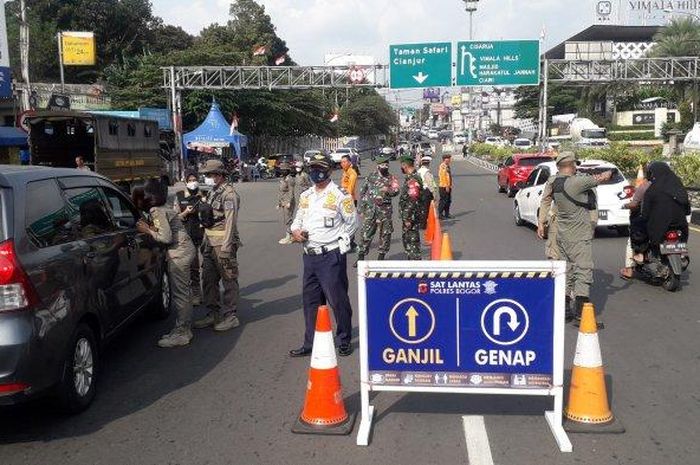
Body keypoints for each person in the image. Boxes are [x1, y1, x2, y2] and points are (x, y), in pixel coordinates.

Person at [289, 153, 358, 358]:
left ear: (329, 170)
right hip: (309, 255)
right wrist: (296, 231)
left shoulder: (340, 194)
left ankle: (344, 338)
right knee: (310, 301)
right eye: (312, 168)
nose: (315, 172)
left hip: (330, 255)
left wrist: (341, 241)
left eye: (320, 168)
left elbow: (351, 222)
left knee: (337, 300)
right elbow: (297, 219)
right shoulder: (306, 195)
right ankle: (310, 342)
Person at [550, 152, 612, 321]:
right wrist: (608, 172)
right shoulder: (578, 182)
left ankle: (564, 309)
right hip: (579, 236)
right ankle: (581, 311)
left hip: (562, 235)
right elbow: (602, 177)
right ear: (571, 165)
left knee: (567, 271)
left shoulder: (555, 182)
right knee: (583, 271)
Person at [137, 180, 196, 348]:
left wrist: (147, 230)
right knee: (184, 291)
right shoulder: (164, 207)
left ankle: (183, 332)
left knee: (180, 294)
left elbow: (165, 238)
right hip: (185, 249)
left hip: (179, 253)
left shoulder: (156, 210)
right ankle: (182, 328)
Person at [194, 159, 242, 332]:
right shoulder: (214, 191)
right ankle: (212, 313)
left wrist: (227, 248)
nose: (208, 178)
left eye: (210, 175)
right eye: (207, 175)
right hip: (209, 243)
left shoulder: (229, 194)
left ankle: (230, 316)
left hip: (222, 244)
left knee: (229, 280)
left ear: (220, 175)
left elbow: (230, 222)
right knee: (208, 279)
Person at [637, 161, 690, 258]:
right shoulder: (679, 187)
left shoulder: (652, 190)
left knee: (639, 229)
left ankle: (640, 254)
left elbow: (645, 213)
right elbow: (687, 209)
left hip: (660, 227)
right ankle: (682, 255)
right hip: (680, 225)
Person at [356, 155, 400, 264]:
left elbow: (396, 190)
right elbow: (362, 191)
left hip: (385, 211)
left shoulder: (391, 178)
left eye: (386, 165)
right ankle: (360, 258)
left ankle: (381, 259)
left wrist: (388, 190)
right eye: (382, 165)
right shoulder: (371, 177)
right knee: (365, 234)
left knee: (385, 234)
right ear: (378, 166)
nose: (385, 166)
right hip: (371, 210)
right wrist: (361, 208)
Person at [174, 171, 206, 303]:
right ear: (186, 182)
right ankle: (195, 294)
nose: (193, 182)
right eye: (190, 180)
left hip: (204, 235)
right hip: (187, 235)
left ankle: (208, 293)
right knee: (192, 266)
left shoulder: (204, 195)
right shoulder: (179, 196)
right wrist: (186, 212)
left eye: (195, 179)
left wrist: (203, 206)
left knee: (209, 266)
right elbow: (176, 217)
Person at [620, 175, 651, 279]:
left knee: (631, 241)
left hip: (646, 221)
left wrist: (624, 206)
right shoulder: (667, 186)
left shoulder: (644, 187)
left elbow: (634, 204)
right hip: (668, 221)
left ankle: (629, 269)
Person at [399, 155, 423, 260]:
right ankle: (412, 266)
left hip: (411, 216)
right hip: (410, 215)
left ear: (404, 165)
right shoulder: (411, 177)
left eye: (402, 165)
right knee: (408, 241)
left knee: (412, 242)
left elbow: (413, 199)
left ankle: (416, 269)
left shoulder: (413, 179)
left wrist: (407, 217)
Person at [537, 179, 560, 260]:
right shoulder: (553, 181)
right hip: (557, 221)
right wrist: (541, 222)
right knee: (554, 254)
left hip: (577, 223)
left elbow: (592, 204)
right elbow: (546, 201)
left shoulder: (582, 179)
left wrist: (592, 224)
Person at [277, 161, 296, 244]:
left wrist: (289, 202)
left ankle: (290, 236)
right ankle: (289, 235)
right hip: (284, 201)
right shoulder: (283, 179)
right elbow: (281, 192)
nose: (281, 171)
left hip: (288, 201)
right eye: (281, 169)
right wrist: (279, 203)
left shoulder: (290, 179)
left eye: (283, 170)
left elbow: (291, 192)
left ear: (287, 170)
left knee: (289, 219)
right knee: (285, 219)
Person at [417, 155, 438, 229]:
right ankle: (423, 224)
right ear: (428, 164)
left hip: (419, 191)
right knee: (426, 208)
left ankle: (420, 222)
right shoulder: (426, 172)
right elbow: (430, 183)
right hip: (426, 191)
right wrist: (434, 194)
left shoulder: (418, 171)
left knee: (420, 207)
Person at [438, 153, 453, 219]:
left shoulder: (447, 166)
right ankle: (440, 214)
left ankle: (447, 213)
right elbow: (443, 177)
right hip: (443, 186)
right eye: (449, 158)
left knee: (448, 200)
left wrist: (450, 185)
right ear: (445, 159)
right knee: (443, 201)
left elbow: (449, 176)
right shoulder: (443, 166)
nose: (450, 160)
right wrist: (447, 186)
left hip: (448, 186)